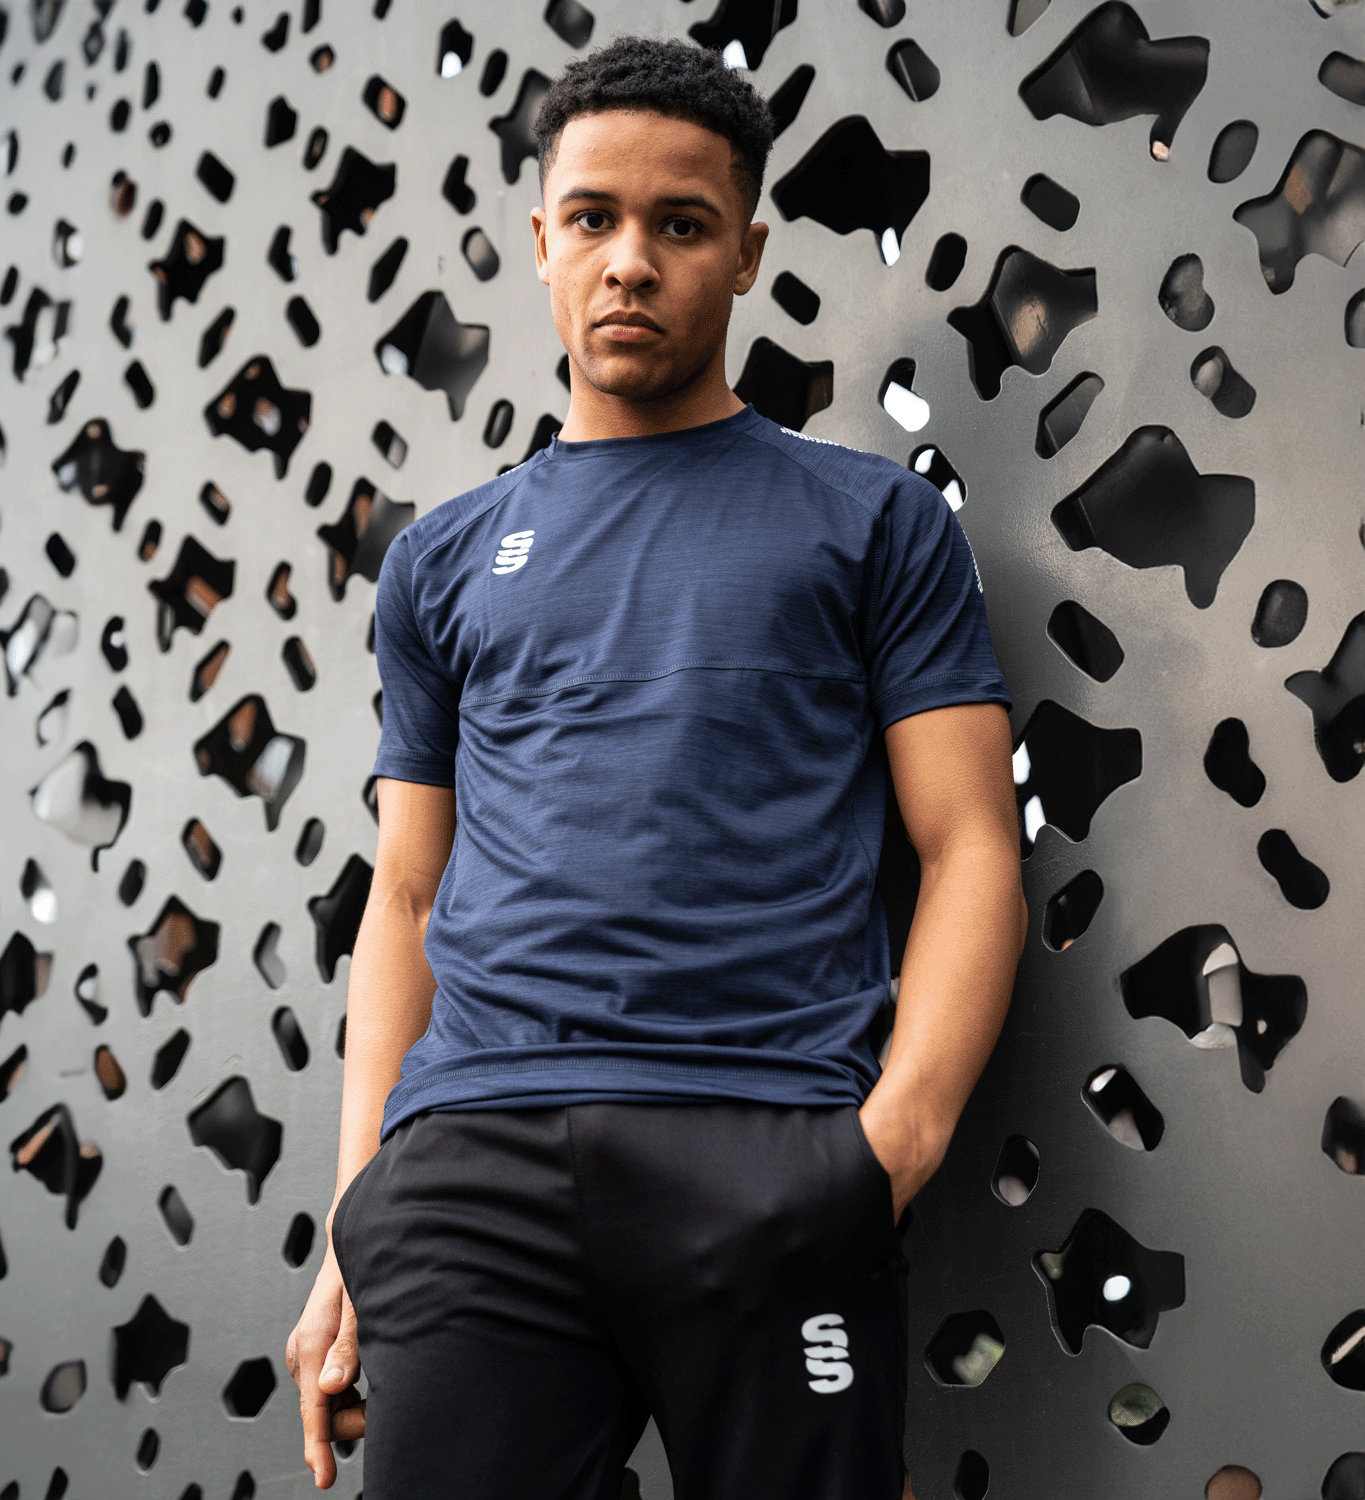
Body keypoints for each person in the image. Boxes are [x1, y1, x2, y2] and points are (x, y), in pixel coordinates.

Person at [286, 33, 1025, 1500]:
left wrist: (893, 1145)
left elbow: (972, 848)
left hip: (771, 1147)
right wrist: (357, 1216)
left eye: (681, 225)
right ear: (541, 243)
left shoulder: (874, 523)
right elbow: (407, 895)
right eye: (594, 219)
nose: (631, 262)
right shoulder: (439, 563)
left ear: (746, 254)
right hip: (470, 1175)